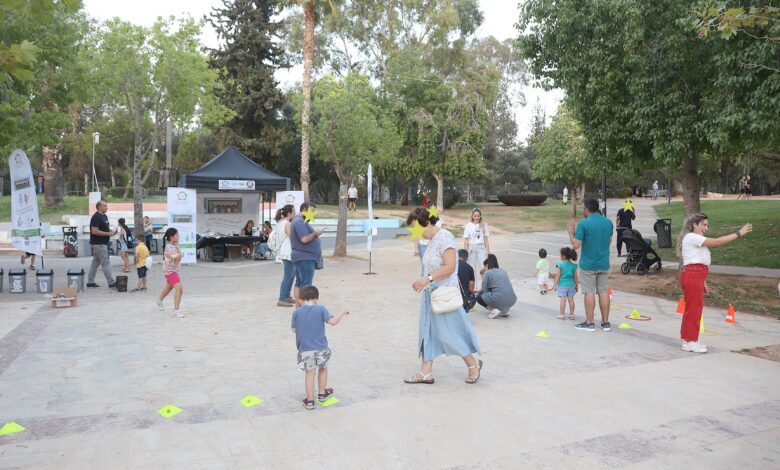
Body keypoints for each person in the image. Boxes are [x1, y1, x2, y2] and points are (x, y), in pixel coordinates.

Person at [404, 207, 482, 385]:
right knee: (427, 332)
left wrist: (427, 279)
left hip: (444, 296)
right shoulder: (431, 241)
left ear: (427, 223)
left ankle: (473, 364)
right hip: (431, 295)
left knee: (450, 334)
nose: (416, 233)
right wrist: (423, 281)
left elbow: (450, 266)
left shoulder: (445, 237)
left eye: (416, 228)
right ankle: (425, 371)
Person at [678, 214, 752, 353]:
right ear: (694, 225)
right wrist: (739, 233)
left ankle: (688, 340)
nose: (706, 228)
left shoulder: (694, 239)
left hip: (695, 276)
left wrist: (703, 281)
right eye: (703, 224)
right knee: (694, 310)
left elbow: (697, 259)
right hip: (693, 275)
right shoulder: (692, 237)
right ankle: (691, 341)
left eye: (707, 225)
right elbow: (717, 242)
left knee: (693, 309)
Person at [291, 285, 349, 410]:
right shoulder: (321, 309)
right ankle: (322, 394)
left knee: (309, 373)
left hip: (305, 349)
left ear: (300, 299)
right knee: (323, 368)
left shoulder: (297, 312)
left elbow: (294, 330)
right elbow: (333, 322)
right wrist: (342, 313)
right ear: (316, 299)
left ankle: (310, 401)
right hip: (321, 348)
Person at [568, 197, 614, 332]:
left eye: (583, 208)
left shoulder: (584, 224)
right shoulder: (608, 222)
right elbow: (609, 241)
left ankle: (589, 323)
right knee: (603, 291)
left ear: (587, 209)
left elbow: (576, 245)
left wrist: (571, 234)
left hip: (588, 264)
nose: (582, 210)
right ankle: (605, 323)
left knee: (589, 292)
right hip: (604, 263)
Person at [290, 202, 323, 307]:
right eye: (311, 211)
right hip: (305, 257)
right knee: (306, 284)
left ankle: (299, 306)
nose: (313, 214)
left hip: (302, 257)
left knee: (300, 282)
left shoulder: (300, 221)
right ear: (304, 210)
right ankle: (305, 307)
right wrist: (316, 234)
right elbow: (304, 239)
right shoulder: (299, 221)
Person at [474, 254, 517, 319]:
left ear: (487, 265)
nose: (484, 269)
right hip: (512, 300)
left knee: (479, 296)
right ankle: (503, 310)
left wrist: (477, 291)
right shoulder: (503, 271)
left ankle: (494, 309)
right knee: (497, 293)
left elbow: (484, 290)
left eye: (484, 267)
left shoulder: (487, 273)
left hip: (499, 298)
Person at [87, 200, 117, 289]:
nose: (106, 207)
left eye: (106, 206)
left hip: (102, 243)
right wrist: (108, 234)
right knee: (106, 262)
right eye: (105, 206)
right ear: (99, 207)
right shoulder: (96, 217)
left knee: (95, 263)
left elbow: (105, 229)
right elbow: (94, 231)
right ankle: (111, 282)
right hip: (98, 243)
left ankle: (90, 282)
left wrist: (112, 232)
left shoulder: (104, 216)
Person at [157, 228, 185, 318]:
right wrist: (179, 250)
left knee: (169, 288)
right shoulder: (169, 247)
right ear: (171, 237)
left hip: (174, 270)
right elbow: (178, 258)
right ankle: (176, 311)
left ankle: (159, 300)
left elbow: (179, 258)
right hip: (169, 271)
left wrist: (178, 249)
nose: (178, 237)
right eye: (177, 235)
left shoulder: (175, 246)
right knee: (179, 289)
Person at [276, 205, 297, 307]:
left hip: (286, 252)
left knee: (291, 275)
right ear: (289, 213)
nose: (295, 213)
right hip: (288, 252)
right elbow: (292, 238)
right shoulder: (287, 224)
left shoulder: (281, 222)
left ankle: (287, 296)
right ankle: (282, 298)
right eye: (294, 211)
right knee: (288, 275)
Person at [414, 202, 443, 274]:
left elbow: (441, 232)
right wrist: (416, 248)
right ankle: (424, 279)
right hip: (423, 245)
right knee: (425, 265)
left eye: (434, 208)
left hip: (435, 245)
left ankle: (431, 280)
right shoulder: (421, 220)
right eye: (431, 209)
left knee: (434, 265)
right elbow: (416, 234)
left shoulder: (440, 220)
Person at [551, 247, 579, 320]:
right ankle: (572, 315)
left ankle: (562, 315)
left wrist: (555, 285)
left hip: (562, 285)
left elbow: (558, 276)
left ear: (563, 256)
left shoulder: (560, 265)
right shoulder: (573, 266)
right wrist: (576, 285)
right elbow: (575, 277)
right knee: (571, 300)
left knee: (563, 300)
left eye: (560, 255)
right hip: (571, 285)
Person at [463, 208, 491, 280]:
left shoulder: (484, 225)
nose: (476, 217)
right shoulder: (469, 225)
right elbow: (466, 240)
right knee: (471, 268)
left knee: (483, 267)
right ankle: (472, 285)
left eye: (478, 216)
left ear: (480, 216)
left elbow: (486, 240)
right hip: (471, 248)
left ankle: (485, 283)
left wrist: (488, 252)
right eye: (475, 216)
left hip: (481, 248)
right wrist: (465, 252)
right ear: (472, 216)